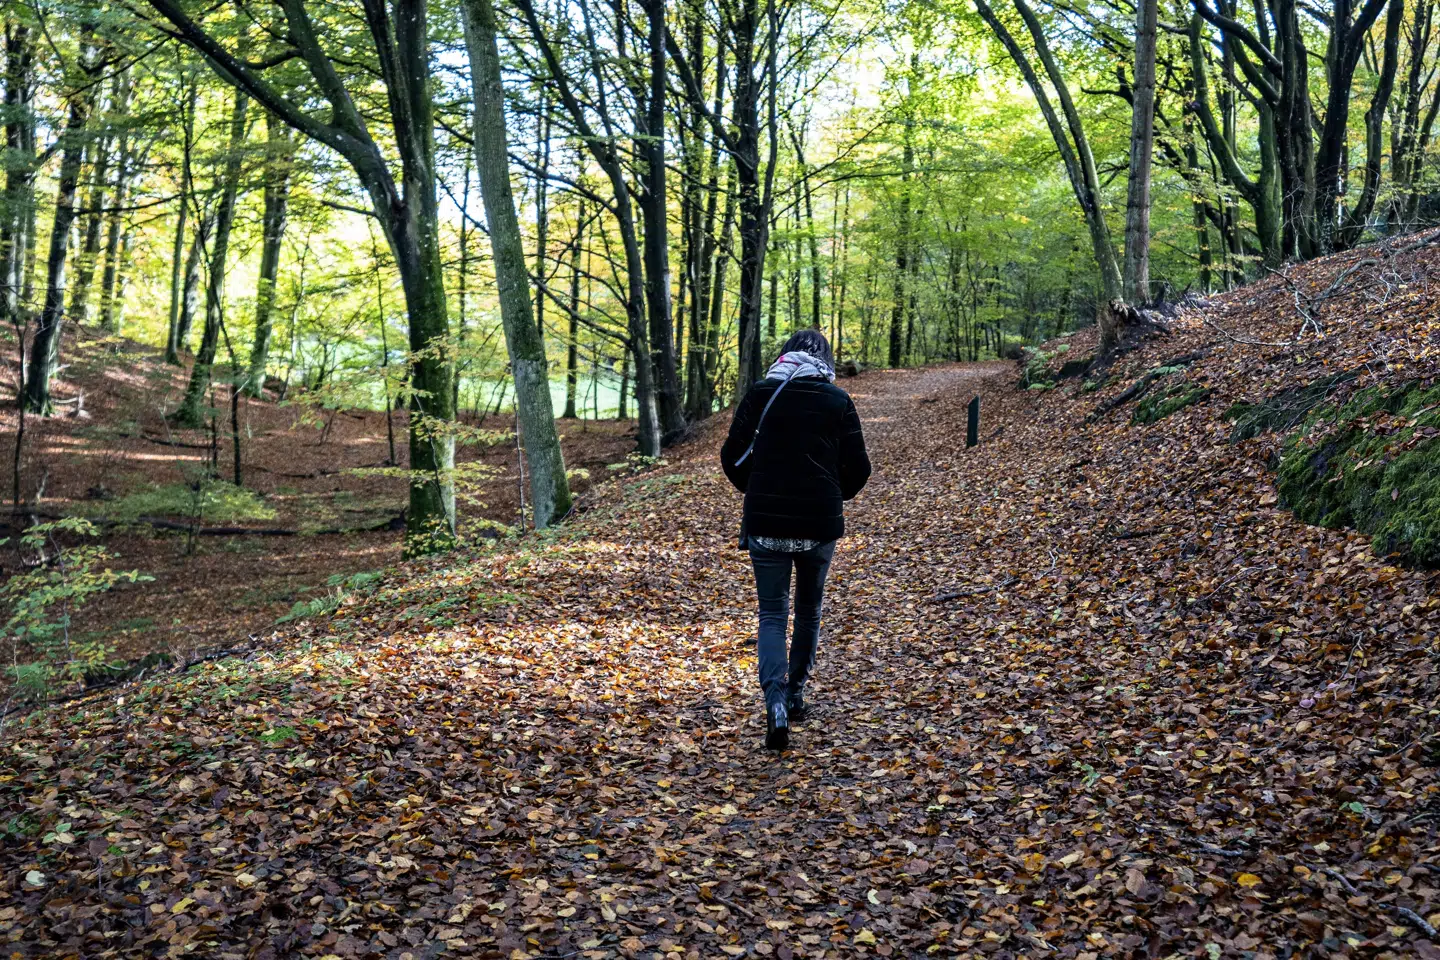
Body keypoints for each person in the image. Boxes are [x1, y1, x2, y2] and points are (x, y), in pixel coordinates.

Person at [721, 330, 871, 751]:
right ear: (826, 359)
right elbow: (859, 469)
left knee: (771, 614)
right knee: (808, 611)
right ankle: (796, 694)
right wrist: (828, 494)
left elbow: (731, 457)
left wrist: (757, 491)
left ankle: (774, 701)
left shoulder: (760, 393)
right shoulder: (838, 401)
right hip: (818, 525)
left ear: (783, 356)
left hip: (765, 523)